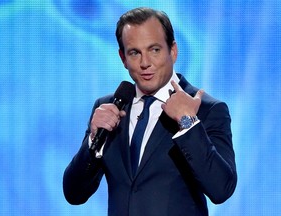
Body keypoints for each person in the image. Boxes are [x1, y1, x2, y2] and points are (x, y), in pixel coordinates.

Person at [63, 7, 237, 216]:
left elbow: (222, 189)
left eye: (154, 50)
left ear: (173, 50)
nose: (145, 63)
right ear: (123, 58)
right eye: (135, 52)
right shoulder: (109, 108)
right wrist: (92, 142)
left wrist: (188, 123)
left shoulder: (208, 109)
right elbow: (74, 194)